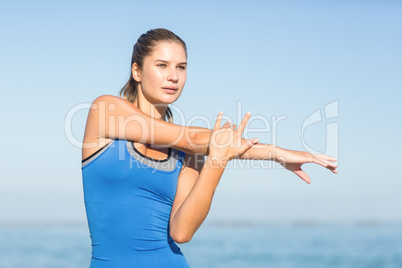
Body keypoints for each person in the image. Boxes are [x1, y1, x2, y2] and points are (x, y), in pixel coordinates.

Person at [81, 28, 337, 268]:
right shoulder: (106, 111)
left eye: (181, 67)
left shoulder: (190, 152)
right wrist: (275, 153)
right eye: (162, 65)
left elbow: (182, 232)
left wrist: (218, 159)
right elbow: (185, 136)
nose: (174, 76)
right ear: (137, 71)